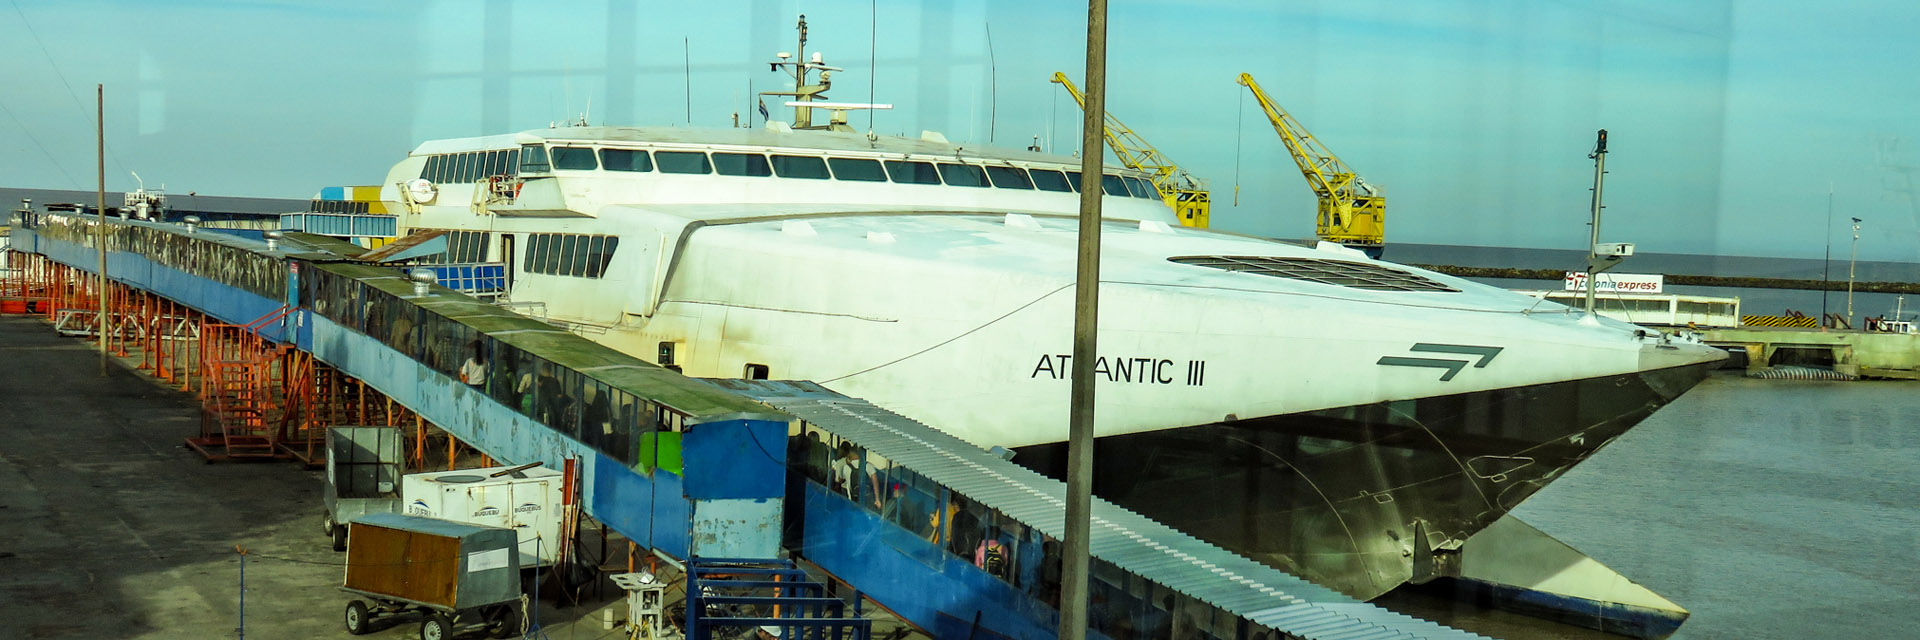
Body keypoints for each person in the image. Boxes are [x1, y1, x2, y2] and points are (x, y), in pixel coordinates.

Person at [829, 442, 880, 509]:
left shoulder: (846, 467)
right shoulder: (869, 466)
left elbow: (839, 480)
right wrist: (877, 499)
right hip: (867, 500)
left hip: (852, 500)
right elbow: (875, 482)